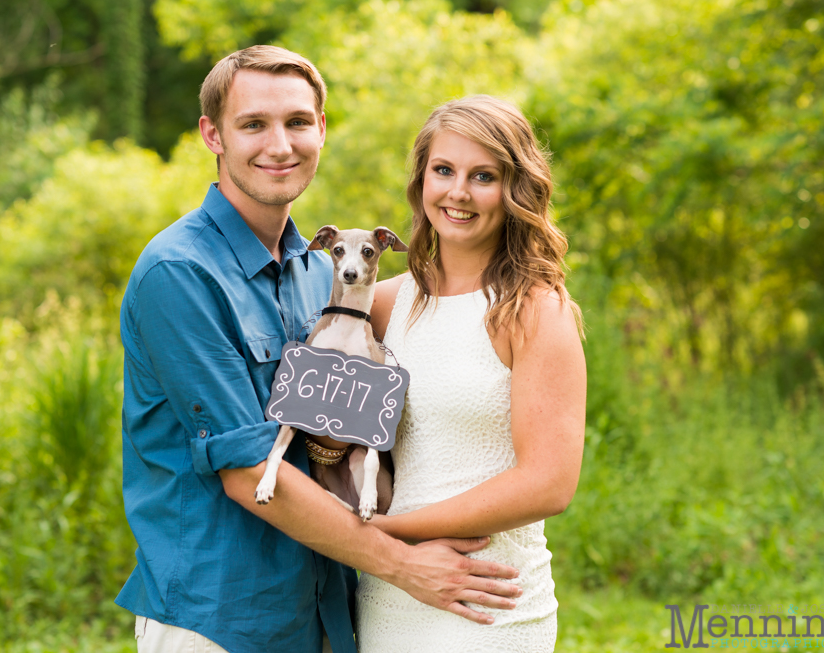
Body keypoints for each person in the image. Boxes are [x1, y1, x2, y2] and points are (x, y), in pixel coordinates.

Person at [115, 47, 523, 653]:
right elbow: (250, 468)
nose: (279, 145)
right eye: (253, 124)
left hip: (325, 611)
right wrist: (403, 563)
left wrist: (526, 288)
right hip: (219, 618)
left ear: (322, 129)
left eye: (298, 122)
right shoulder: (179, 273)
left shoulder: (320, 275)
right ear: (212, 135)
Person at [356, 95, 587, 652]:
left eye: (482, 176)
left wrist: (384, 535)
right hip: (385, 592)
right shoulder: (381, 305)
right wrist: (378, 553)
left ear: (514, 192)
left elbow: (548, 483)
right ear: (421, 182)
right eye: (443, 170)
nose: (458, 192)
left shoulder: (533, 309)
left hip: (487, 601)